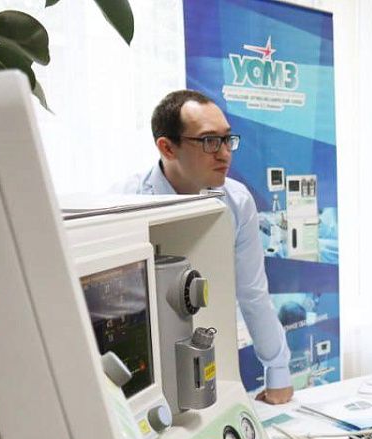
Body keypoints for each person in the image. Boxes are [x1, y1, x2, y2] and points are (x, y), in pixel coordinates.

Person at [114, 90, 293, 404]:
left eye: (227, 139)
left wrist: (278, 372)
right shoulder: (124, 203)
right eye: (210, 141)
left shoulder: (237, 201)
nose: (224, 154)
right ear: (167, 147)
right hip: (143, 364)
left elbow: (252, 293)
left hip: (211, 354)